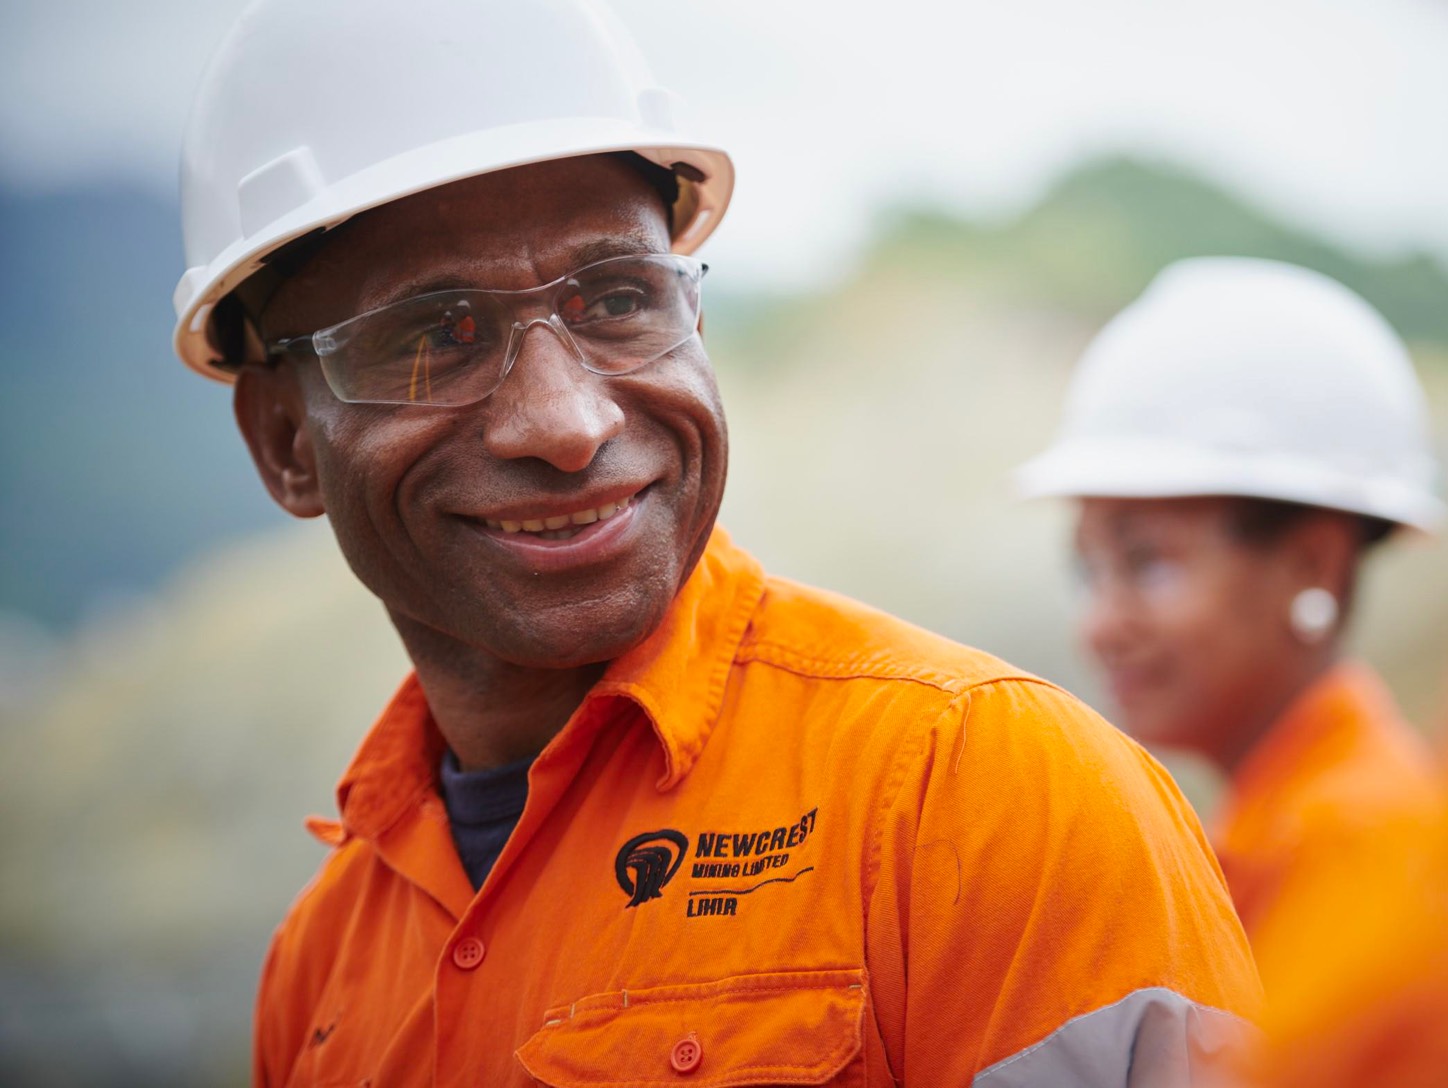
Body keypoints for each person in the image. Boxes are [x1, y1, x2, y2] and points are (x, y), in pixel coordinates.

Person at [174, 2, 1259, 1084]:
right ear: (285, 442)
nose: (568, 422)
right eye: (434, 336)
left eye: (615, 297)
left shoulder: (981, 795)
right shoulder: (319, 969)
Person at [1017, 257, 1445, 989]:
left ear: (1313, 564)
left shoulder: (1358, 849)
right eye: (1091, 569)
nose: (1101, 624)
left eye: (1149, 562)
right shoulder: (1278, 830)